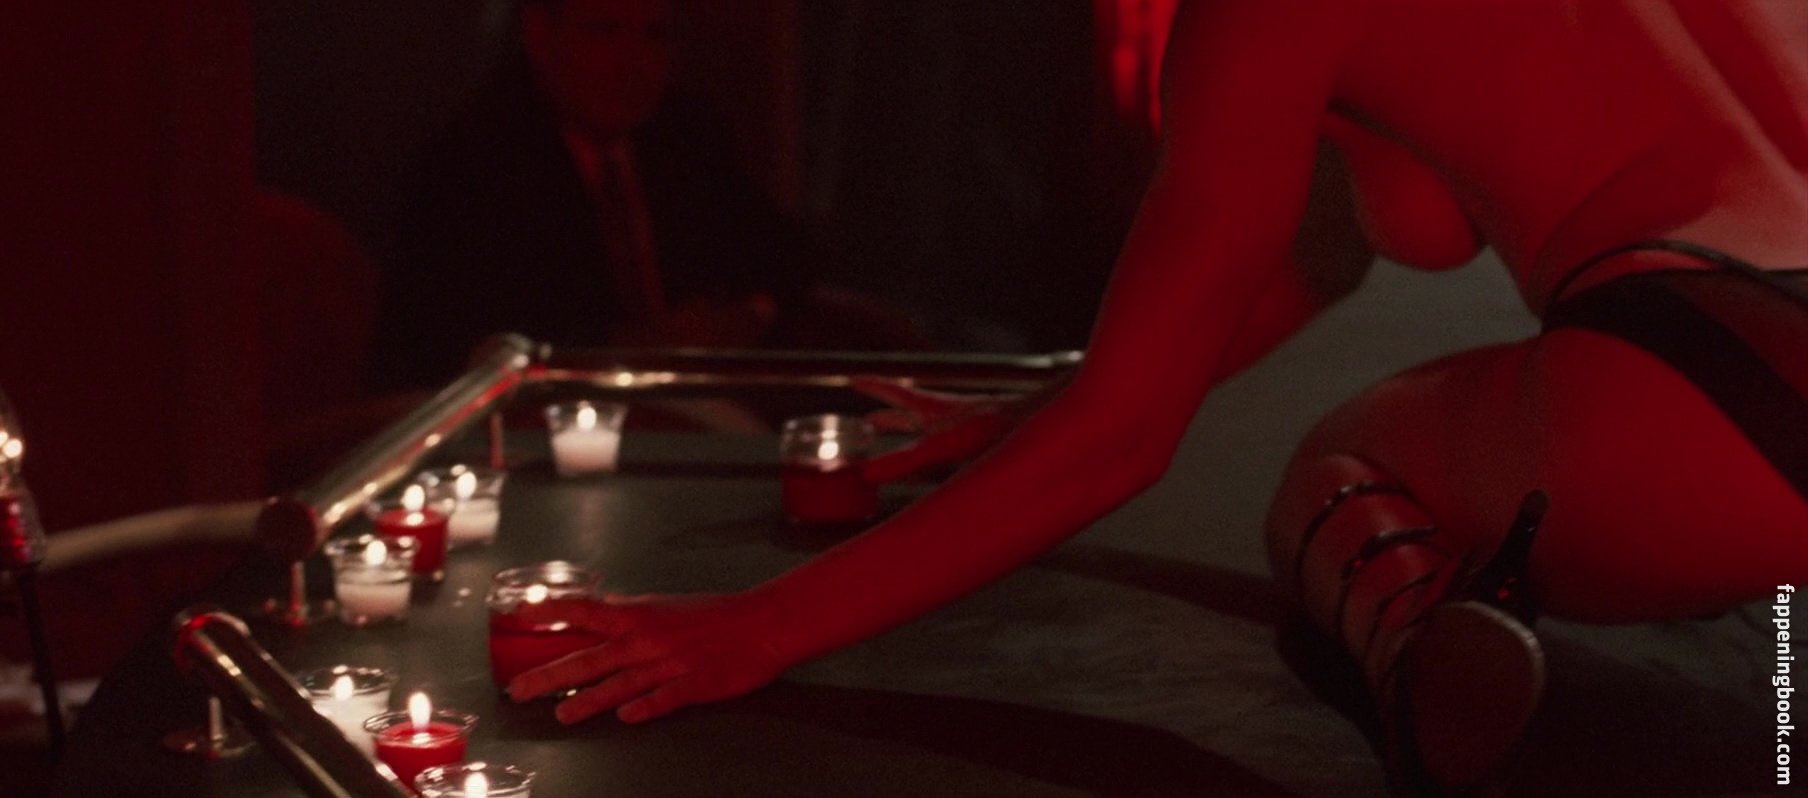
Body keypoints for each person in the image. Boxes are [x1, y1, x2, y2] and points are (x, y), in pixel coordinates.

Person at [500, 0, 1808, 791]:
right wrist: (1035, 407)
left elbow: (1125, 439)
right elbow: (1333, 250)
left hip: (1693, 380)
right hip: (1742, 342)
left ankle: (1434, 669)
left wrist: (750, 630)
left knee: (1346, 461)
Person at [371, 0, 809, 391]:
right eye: (604, 32)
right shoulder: (475, 163)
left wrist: (746, 316)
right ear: (540, 34)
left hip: (698, 404)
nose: (633, 61)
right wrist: (627, 347)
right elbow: (468, 338)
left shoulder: (684, 134)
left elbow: (785, 253)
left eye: (654, 35)